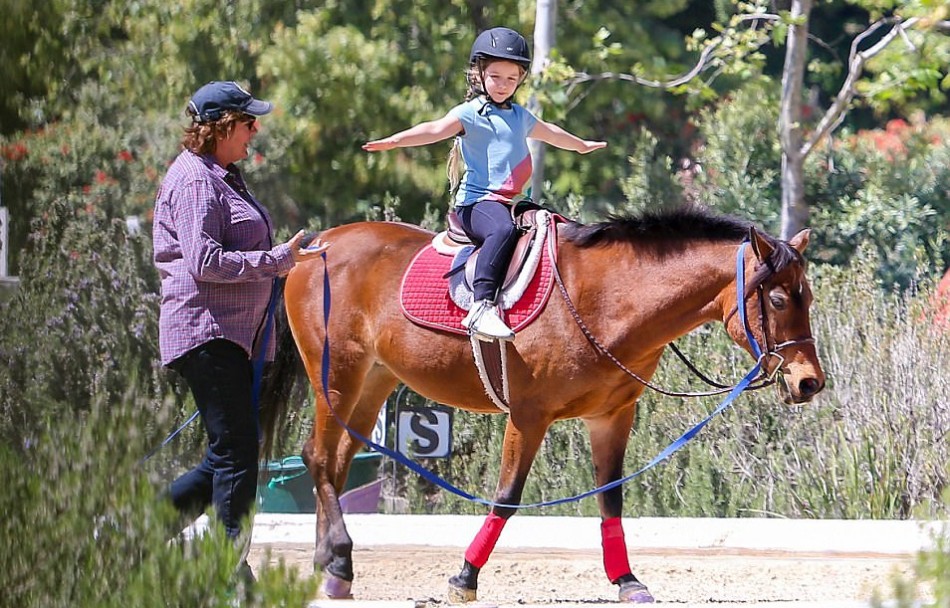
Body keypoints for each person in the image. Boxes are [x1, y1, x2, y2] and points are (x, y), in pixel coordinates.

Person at [152, 80, 328, 582]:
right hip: (206, 332)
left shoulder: (223, 176)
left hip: (232, 336)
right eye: (249, 122)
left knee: (229, 452)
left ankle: (139, 535)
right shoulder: (195, 182)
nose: (256, 130)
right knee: (237, 454)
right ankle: (229, 575)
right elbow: (204, 261)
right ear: (223, 125)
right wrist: (276, 261)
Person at [363, 26, 606, 341]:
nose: (503, 85)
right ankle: (481, 307)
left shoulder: (520, 115)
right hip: (477, 204)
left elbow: (551, 132)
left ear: (520, 80)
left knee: (554, 230)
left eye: (511, 78)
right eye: (496, 77)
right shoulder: (470, 114)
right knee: (502, 230)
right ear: (479, 75)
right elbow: (434, 128)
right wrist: (395, 141)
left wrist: (581, 145)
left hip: (515, 203)